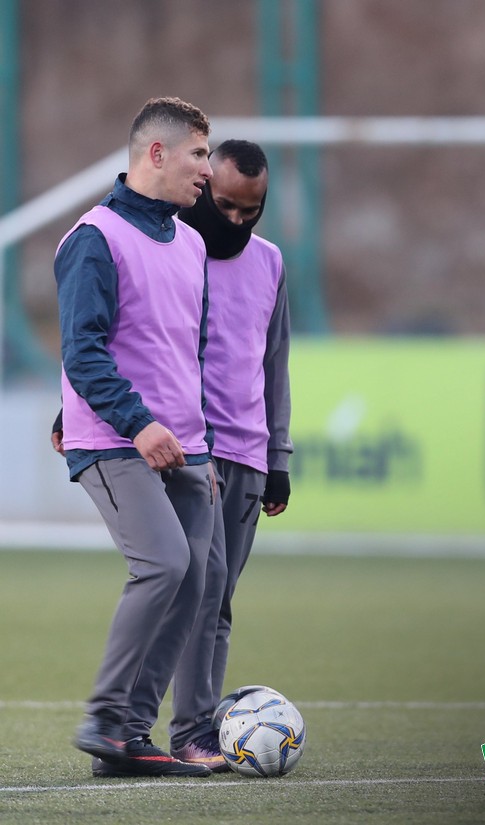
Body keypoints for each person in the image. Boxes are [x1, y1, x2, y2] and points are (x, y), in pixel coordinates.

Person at [64, 140, 295, 777]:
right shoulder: (155, 246)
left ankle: (138, 731)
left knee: (211, 595)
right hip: (175, 441)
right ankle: (177, 729)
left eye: (251, 211)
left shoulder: (262, 261)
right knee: (184, 576)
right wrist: (77, 411)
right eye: (225, 205)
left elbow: (274, 362)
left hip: (237, 449)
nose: (237, 221)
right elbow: (120, 341)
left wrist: (277, 453)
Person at [56, 96, 217, 778]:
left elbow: (186, 350)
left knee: (195, 580)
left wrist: (202, 442)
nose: (208, 170)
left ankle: (127, 738)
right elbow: (82, 351)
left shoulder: (193, 243)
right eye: (199, 154)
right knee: (164, 564)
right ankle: (104, 716)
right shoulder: (93, 237)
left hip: (186, 445)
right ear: (157, 153)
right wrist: (139, 423)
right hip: (117, 440)